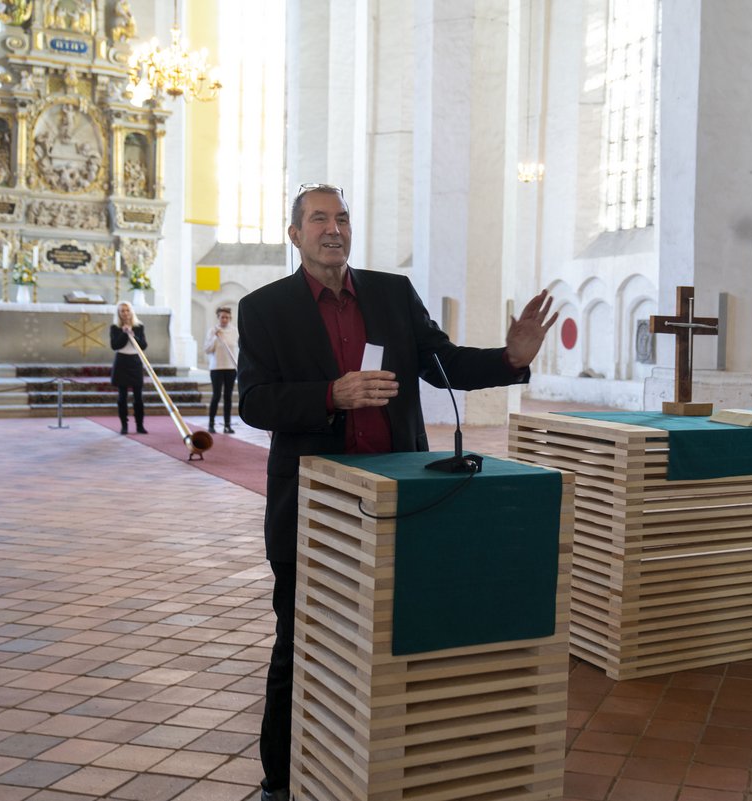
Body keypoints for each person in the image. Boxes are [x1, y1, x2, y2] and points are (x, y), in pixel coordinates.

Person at [237, 184, 556, 801]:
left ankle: (389, 760)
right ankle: (282, 776)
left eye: (343, 218)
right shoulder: (265, 308)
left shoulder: (391, 293)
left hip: (401, 503)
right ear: (295, 235)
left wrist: (510, 358)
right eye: (319, 219)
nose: (334, 229)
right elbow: (253, 402)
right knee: (299, 642)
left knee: (397, 634)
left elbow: (446, 366)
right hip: (314, 508)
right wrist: (333, 395)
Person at [110, 300, 147, 435]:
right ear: (119, 314)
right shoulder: (115, 327)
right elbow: (115, 346)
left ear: (131, 311)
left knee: (138, 397)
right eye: (122, 311)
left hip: (135, 361)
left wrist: (132, 334)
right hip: (121, 362)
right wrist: (124, 333)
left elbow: (143, 345)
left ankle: (140, 425)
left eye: (127, 310)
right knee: (122, 397)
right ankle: (124, 425)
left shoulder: (139, 326)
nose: (125, 313)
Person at [203, 305, 239, 433]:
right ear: (218, 318)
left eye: (227, 317)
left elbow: (236, 348)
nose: (225, 320)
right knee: (216, 395)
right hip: (216, 368)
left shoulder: (234, 331)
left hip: (230, 368)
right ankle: (211, 424)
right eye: (222, 317)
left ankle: (227, 425)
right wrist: (215, 338)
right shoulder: (212, 331)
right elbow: (207, 350)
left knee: (228, 397)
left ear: (230, 318)